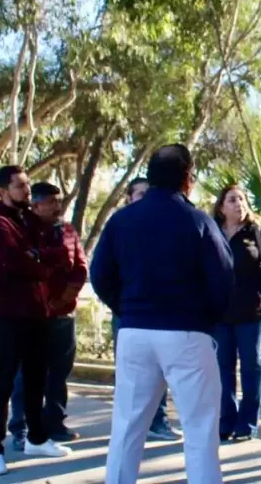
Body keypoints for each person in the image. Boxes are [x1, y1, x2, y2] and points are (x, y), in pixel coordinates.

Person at [90, 144, 234, 484]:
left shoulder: (121, 220)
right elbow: (224, 279)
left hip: (135, 330)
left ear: (151, 177)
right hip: (187, 333)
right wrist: (207, 320)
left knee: (127, 426)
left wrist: (126, 308)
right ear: (187, 178)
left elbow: (99, 276)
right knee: (199, 431)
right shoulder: (199, 221)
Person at [0, 166, 73, 476]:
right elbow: (10, 263)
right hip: (8, 315)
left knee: (36, 378)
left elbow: (59, 254)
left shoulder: (30, 220)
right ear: (2, 191)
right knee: (4, 380)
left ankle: (37, 437)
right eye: (20, 186)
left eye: (28, 185)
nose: (27, 191)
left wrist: (37, 256)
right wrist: (36, 259)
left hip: (38, 313)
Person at [9, 182, 86, 450]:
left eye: (60, 201)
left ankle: (55, 423)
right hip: (33, 315)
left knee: (58, 374)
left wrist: (66, 296)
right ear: (36, 205)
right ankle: (21, 429)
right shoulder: (23, 230)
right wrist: (50, 256)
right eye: (52, 201)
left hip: (63, 315)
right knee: (26, 375)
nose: (58, 206)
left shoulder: (67, 230)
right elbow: (27, 264)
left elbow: (78, 266)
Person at [108, 176, 181, 441]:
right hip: (128, 315)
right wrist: (122, 305)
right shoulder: (119, 225)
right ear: (129, 198)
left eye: (147, 193)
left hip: (161, 315)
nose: (144, 198)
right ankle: (127, 427)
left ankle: (158, 421)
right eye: (139, 194)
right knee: (129, 378)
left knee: (159, 373)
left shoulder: (165, 226)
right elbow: (103, 272)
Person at [211, 185, 261, 442]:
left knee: (251, 367)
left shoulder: (257, 232)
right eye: (232, 200)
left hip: (252, 314)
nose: (239, 203)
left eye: (242, 199)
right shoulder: (212, 232)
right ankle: (226, 421)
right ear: (221, 207)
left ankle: (247, 423)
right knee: (223, 369)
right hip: (220, 314)